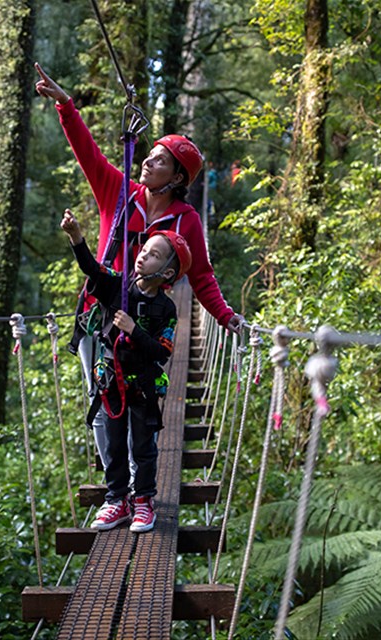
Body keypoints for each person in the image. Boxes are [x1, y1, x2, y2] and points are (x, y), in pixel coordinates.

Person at [35, 62, 244, 470]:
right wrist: (66, 106)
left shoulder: (187, 220)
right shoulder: (119, 193)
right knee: (102, 398)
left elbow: (200, 275)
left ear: (178, 177)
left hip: (146, 321)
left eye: (159, 161)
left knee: (139, 401)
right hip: (101, 311)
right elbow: (89, 157)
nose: (147, 164)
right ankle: (122, 486)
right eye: (147, 157)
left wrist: (225, 316)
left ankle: (137, 481)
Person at [61, 208, 190, 532]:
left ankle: (143, 500)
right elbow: (92, 269)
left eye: (154, 255)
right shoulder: (118, 289)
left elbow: (162, 351)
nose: (143, 256)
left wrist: (134, 330)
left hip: (144, 386)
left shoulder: (166, 309)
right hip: (111, 382)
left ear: (168, 272)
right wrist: (77, 237)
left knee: (143, 446)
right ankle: (117, 499)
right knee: (115, 443)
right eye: (144, 250)